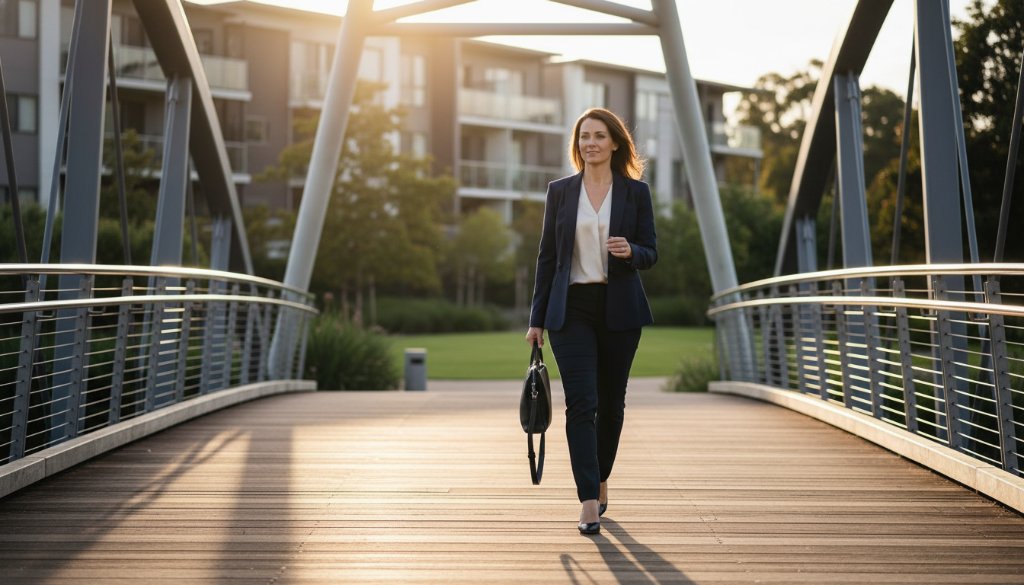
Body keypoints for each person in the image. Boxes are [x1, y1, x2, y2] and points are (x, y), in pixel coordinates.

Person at [525, 107, 657, 536]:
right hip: (571, 310)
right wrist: (536, 319)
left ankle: (601, 478)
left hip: (619, 309)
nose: (591, 143)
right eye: (584, 137)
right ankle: (587, 500)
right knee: (581, 403)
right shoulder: (560, 192)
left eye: (599, 136)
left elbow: (651, 252)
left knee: (611, 404)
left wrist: (630, 252)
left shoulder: (636, 193)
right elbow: (547, 259)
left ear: (615, 143)